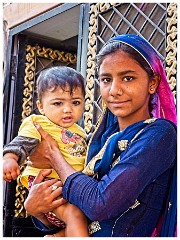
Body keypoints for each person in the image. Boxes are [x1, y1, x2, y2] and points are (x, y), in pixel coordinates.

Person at [24, 34, 177, 237]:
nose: (114, 90)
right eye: (106, 80)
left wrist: (53, 155)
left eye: (128, 78)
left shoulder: (159, 134)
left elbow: (100, 204)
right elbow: (74, 213)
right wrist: (36, 209)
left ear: (152, 82)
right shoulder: (99, 143)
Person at [3, 66, 89, 237]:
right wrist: (9, 159)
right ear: (41, 106)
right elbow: (21, 143)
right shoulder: (37, 123)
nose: (67, 109)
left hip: (73, 188)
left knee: (83, 219)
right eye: (58, 103)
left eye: (76, 102)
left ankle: (57, 235)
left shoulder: (81, 132)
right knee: (74, 215)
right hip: (47, 186)